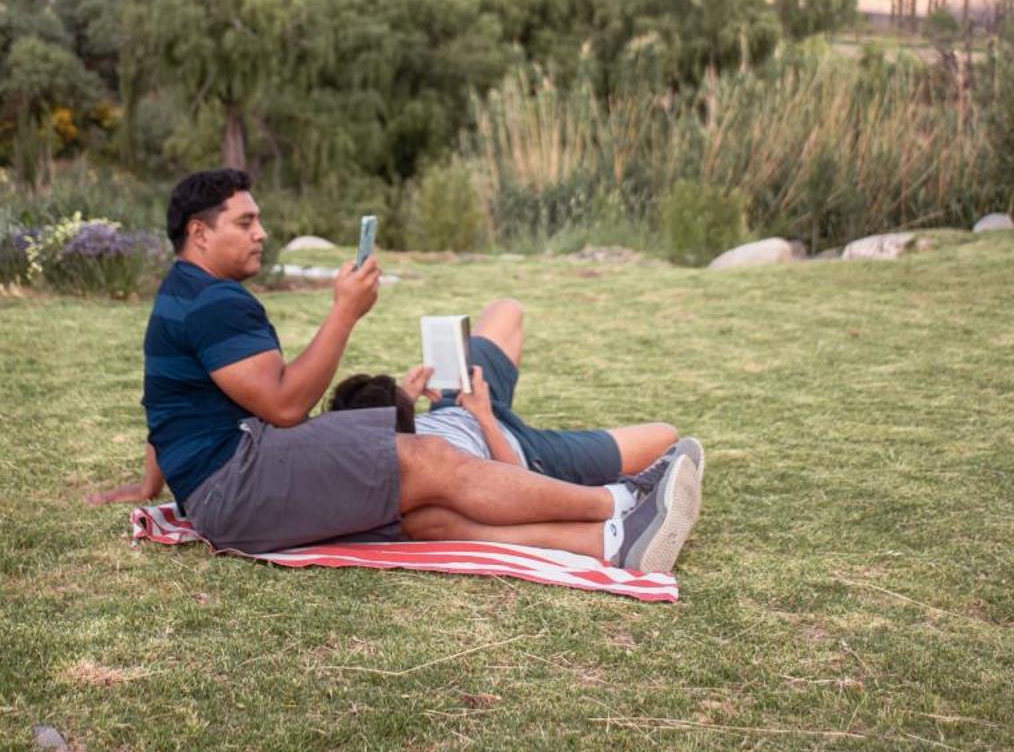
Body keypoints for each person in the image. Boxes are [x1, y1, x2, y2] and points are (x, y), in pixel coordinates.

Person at [88, 168, 702, 574]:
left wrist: (152, 487)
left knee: (421, 511)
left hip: (226, 483)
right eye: (245, 222)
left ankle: (614, 543)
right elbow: (282, 406)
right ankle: (620, 500)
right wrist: (345, 311)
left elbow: (168, 401)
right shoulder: (213, 303)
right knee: (425, 459)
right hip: (237, 484)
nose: (262, 233)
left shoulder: (185, 293)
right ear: (199, 233)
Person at [327, 297, 689, 485]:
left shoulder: (373, 442)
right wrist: (485, 417)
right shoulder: (440, 468)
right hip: (520, 451)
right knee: (665, 437)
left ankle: (477, 398)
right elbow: (517, 485)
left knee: (506, 310)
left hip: (457, 407)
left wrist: (408, 394)